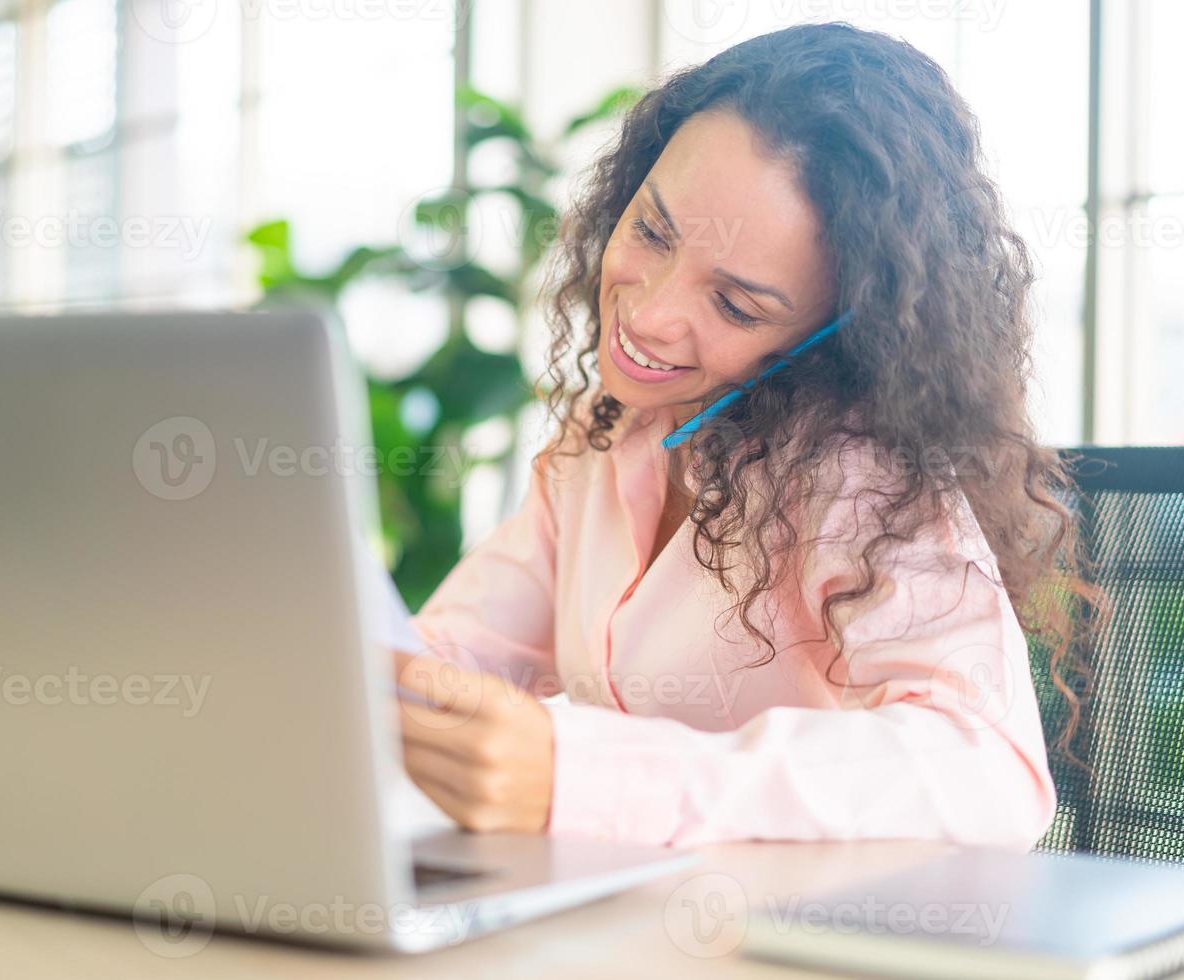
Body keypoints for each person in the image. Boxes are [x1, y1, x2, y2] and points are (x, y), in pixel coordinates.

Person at [392, 22, 1096, 850]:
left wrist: (590, 779)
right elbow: (452, 658)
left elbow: (989, 774)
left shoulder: (857, 477)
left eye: (735, 305)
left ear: (831, 341)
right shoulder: (604, 438)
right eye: (651, 232)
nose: (648, 313)